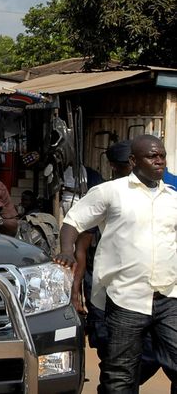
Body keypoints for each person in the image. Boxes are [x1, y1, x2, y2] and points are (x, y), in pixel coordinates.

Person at [55, 135, 177, 392]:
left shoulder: (171, 198)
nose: (159, 161)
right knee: (120, 374)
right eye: (152, 156)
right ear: (133, 161)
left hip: (169, 298)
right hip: (125, 299)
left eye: (162, 156)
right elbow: (73, 222)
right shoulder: (110, 192)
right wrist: (66, 250)